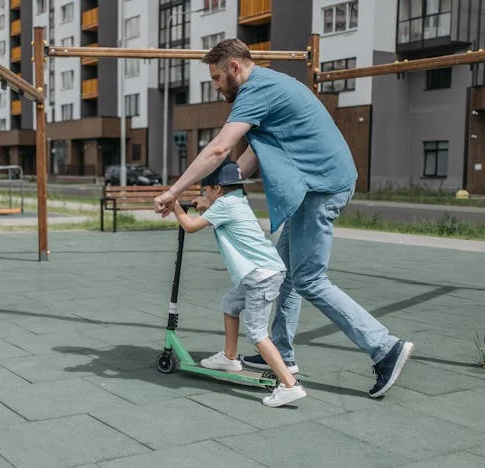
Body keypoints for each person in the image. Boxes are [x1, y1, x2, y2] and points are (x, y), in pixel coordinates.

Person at [154, 38, 414, 398]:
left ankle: (384, 347)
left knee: (309, 278)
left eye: (215, 78)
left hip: (321, 188)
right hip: (315, 185)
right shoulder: (270, 86)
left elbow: (219, 149)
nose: (215, 87)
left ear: (234, 68)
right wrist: (211, 196)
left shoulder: (255, 91)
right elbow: (242, 165)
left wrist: (175, 191)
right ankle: (283, 356)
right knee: (287, 272)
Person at [173, 160, 306, 407]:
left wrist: (174, 205)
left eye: (206, 190)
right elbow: (214, 209)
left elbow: (190, 226)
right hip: (261, 273)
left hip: (260, 277)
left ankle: (289, 384)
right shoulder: (235, 201)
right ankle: (229, 357)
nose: (205, 195)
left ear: (217, 189)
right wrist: (205, 203)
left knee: (257, 333)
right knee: (230, 304)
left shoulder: (224, 206)